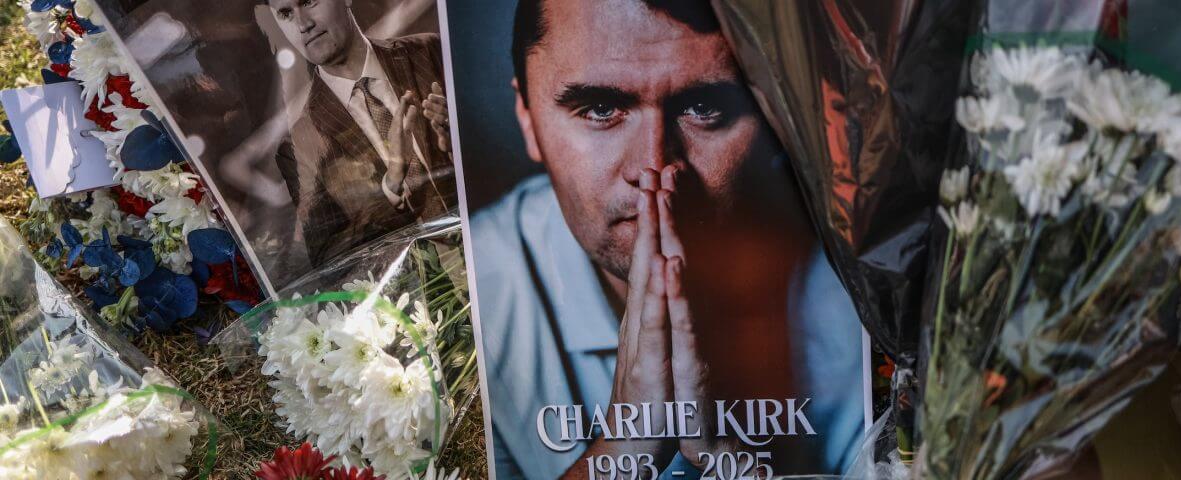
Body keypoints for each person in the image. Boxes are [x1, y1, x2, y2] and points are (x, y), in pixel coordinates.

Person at [468, 0, 869, 478]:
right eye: (600, 108)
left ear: (777, 117)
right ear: (527, 117)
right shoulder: (472, 296)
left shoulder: (859, 285)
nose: (653, 167)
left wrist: (727, 458)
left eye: (705, 108)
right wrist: (623, 450)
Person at [265, 0, 454, 267]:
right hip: (427, 289)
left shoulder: (431, 50)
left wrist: (462, 136)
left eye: (308, 1)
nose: (303, 24)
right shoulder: (298, 146)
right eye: (286, 14)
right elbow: (330, 259)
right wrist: (391, 185)